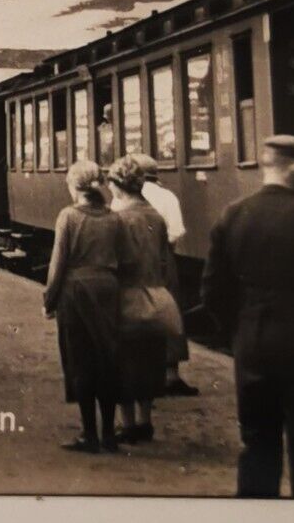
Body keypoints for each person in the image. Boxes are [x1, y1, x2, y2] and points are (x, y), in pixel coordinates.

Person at [202, 135, 294, 499]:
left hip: (252, 348)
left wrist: (239, 331)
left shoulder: (233, 215)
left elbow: (212, 291)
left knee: (257, 445)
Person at [43, 159, 130, 453]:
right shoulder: (115, 218)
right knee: (107, 360)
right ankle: (109, 433)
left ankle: (89, 435)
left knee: (81, 363)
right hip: (108, 291)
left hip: (75, 292)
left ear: (74, 186)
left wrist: (49, 300)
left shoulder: (68, 217)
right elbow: (127, 259)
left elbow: (58, 264)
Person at [108, 154, 182, 444]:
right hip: (153, 295)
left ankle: (127, 425)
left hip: (125, 297)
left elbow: (115, 261)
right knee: (150, 359)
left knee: (123, 361)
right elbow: (165, 260)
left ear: (117, 185)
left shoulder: (116, 219)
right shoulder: (156, 217)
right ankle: (145, 421)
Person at [139, 164, 197, 397]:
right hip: (163, 259)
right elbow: (176, 232)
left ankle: (145, 374)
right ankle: (171, 375)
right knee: (170, 311)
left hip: (136, 262)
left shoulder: (122, 199)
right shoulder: (166, 196)